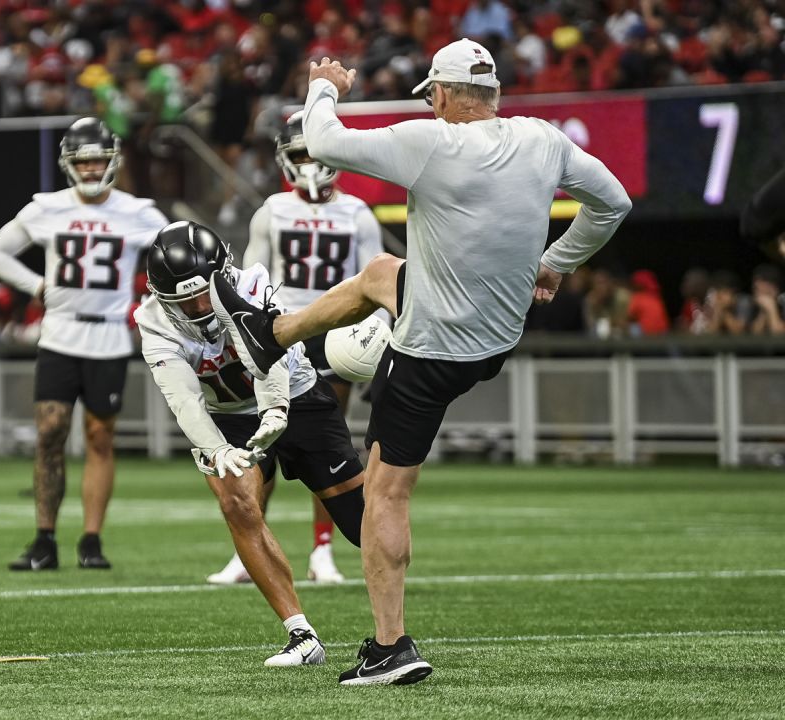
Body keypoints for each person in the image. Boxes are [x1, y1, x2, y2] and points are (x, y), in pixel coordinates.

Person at [209, 40, 631, 685]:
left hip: (432, 346)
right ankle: (279, 332)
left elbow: (320, 141)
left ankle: (389, 646)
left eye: (432, 94)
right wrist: (556, 263)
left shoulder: (431, 142)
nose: (430, 103)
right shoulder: (543, 140)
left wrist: (323, 85)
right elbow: (614, 203)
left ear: (442, 93)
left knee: (386, 491)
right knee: (381, 273)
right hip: (495, 333)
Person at [137, 221, 367, 667]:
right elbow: (183, 400)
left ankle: (389, 637)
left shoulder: (254, 283)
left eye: (204, 293)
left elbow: (269, 361)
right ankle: (301, 636)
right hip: (226, 416)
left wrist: (276, 411)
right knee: (237, 503)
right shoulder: (153, 321)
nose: (200, 307)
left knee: (363, 526)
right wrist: (217, 450)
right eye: (184, 301)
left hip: (295, 394)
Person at [0, 117, 168, 571]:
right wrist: (37, 286)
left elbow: (176, 255)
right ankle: (44, 538)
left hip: (108, 333)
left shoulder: (139, 212)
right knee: (50, 433)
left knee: (100, 437)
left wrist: (153, 303)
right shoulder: (46, 208)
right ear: (69, 164)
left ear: (113, 161)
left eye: (97, 161)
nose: (89, 170)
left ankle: (91, 539)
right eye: (82, 162)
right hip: (60, 331)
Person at [208, 111, 383, 587]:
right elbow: (250, 281)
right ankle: (249, 547)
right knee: (259, 438)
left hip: (338, 328)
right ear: (285, 160)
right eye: (300, 153)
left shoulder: (357, 213)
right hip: (283, 330)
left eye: (315, 152)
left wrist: (377, 331)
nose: (308, 163)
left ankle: (322, 549)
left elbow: (376, 280)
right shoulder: (272, 209)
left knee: (328, 441)